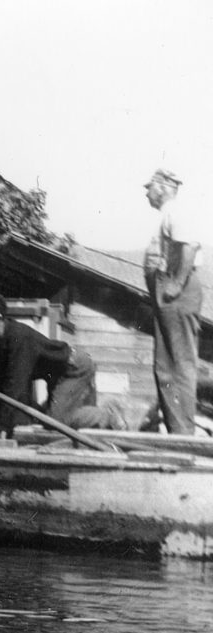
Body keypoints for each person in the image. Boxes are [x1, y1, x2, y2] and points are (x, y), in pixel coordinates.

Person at [0, 291, 121, 438]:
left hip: (73, 368)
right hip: (54, 374)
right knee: (47, 417)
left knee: (56, 421)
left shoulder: (19, 337)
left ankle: (107, 415)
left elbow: (15, 384)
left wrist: (3, 426)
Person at [142, 168, 203, 435]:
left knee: (178, 364)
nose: (147, 193)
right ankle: (178, 431)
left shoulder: (175, 210)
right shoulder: (167, 214)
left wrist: (176, 284)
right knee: (165, 367)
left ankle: (184, 435)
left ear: (164, 187)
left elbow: (188, 245)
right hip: (166, 292)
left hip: (176, 291)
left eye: (150, 187)